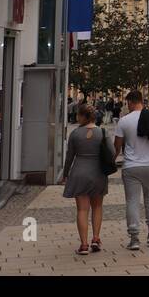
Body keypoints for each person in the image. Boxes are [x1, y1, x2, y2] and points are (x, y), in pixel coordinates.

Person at [114, 89, 149, 251]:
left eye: (127, 103)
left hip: (131, 166)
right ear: (142, 101)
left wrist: (110, 161)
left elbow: (117, 146)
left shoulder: (124, 121)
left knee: (132, 201)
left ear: (131, 102)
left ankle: (134, 238)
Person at [62, 104, 108, 255]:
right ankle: (96, 238)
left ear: (82, 116)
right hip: (98, 173)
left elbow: (69, 157)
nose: (76, 117)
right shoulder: (102, 132)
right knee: (97, 207)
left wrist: (65, 173)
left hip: (79, 173)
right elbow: (112, 152)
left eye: (78, 115)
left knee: (82, 209)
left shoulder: (75, 133)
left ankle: (83, 245)